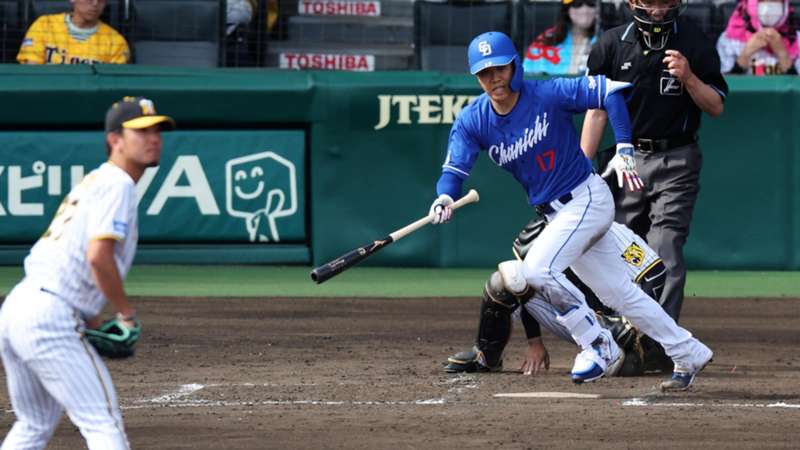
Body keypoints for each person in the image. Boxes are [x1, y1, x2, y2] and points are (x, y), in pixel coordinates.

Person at [429, 31, 712, 391]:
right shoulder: (475, 120)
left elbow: (610, 91)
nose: (493, 79)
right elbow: (454, 172)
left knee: (536, 270)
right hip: (557, 214)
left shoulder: (546, 94)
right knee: (619, 294)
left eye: (499, 69)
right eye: (484, 73)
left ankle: (598, 343)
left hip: (587, 199)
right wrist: (444, 197)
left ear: (515, 66)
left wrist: (624, 144)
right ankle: (687, 351)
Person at [0, 97, 174, 449]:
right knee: (102, 421)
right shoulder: (118, 183)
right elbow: (98, 258)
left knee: (34, 423)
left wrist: (93, 320)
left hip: (18, 309)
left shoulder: (98, 181)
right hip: (49, 315)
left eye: (156, 130)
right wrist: (126, 313)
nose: (153, 138)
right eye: (141, 131)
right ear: (115, 140)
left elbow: (77, 259)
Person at [581, 0, 728, 323]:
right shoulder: (611, 44)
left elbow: (716, 105)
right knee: (622, 244)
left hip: (677, 157)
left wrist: (689, 77)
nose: (659, 9)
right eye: (651, 1)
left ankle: (660, 339)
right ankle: (622, 329)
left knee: (665, 244)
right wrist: (580, 170)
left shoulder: (694, 41)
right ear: (633, 2)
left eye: (666, 1)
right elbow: (596, 111)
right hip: (626, 159)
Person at [444, 218, 673, 377]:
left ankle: (634, 356)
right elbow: (527, 285)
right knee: (505, 279)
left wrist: (635, 321)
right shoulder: (542, 232)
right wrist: (535, 342)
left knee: (624, 351)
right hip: (574, 317)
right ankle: (486, 356)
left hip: (615, 325)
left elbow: (655, 273)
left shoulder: (611, 231)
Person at [17, 0, 129, 64]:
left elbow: (112, 85)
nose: (95, 3)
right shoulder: (44, 25)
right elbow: (30, 72)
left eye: (101, 0)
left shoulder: (115, 41)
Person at [717, 0, 800, 75]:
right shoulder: (729, 39)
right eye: (762, 0)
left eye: (775, 0)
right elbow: (721, 87)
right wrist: (745, 55)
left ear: (785, 4)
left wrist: (783, 54)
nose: (768, 7)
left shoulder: (797, 39)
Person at [523, 0, 598, 75]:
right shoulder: (546, 39)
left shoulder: (605, 41)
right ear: (567, 9)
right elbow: (527, 77)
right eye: (577, 4)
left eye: (590, 3)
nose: (585, 10)